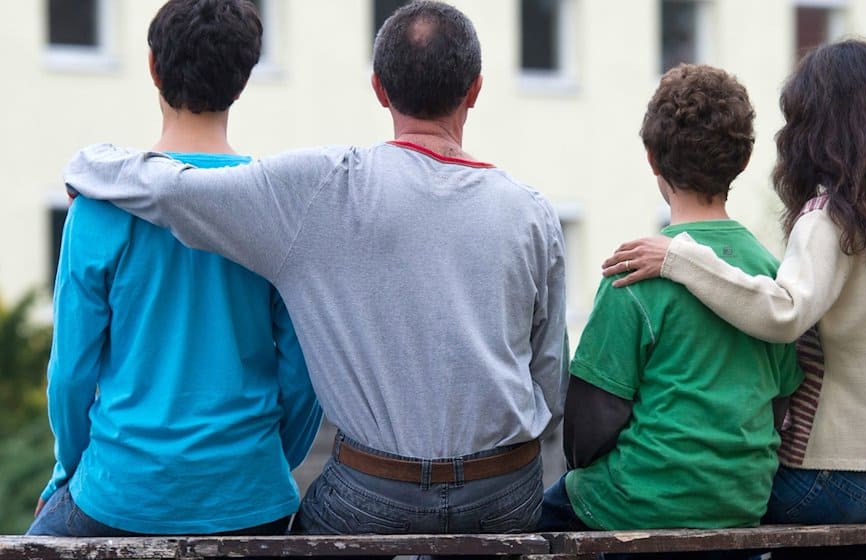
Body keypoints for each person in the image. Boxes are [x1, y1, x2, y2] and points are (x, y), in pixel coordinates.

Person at [63, 0, 567, 537]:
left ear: (378, 88)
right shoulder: (532, 212)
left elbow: (172, 188)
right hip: (505, 489)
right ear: (475, 90)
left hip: (376, 491)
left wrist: (88, 163)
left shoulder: (322, 188)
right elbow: (550, 378)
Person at [601, 39, 866, 524]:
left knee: (713, 496)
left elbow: (784, 312)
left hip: (835, 476)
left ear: (820, 128)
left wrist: (681, 258)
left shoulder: (831, 219)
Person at [29, 0, 322, 537]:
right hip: (251, 495)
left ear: (152, 68)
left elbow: (70, 372)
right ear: (243, 80)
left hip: (121, 492)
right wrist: (260, 466)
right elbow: (304, 377)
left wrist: (70, 472)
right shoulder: (278, 209)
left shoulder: (99, 206)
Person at [537, 64, 802, 537]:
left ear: (652, 158)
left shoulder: (635, 270)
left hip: (637, 508)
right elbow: (780, 406)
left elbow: (585, 437)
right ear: (741, 160)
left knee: (534, 517)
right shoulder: (770, 275)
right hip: (742, 509)